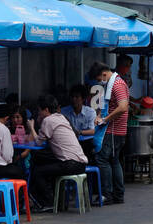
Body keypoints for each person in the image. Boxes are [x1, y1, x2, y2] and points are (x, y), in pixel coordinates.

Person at [28, 95, 89, 212]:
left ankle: (48, 202)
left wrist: (31, 127)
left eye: (39, 110)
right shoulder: (61, 117)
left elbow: (39, 142)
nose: (39, 113)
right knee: (45, 164)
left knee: (37, 171)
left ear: (46, 110)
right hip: (80, 163)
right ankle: (58, 201)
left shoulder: (48, 120)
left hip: (70, 164)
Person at [93, 59, 129, 205]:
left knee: (103, 160)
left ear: (103, 74)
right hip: (116, 129)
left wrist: (105, 119)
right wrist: (99, 116)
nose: (99, 82)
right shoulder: (112, 84)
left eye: (98, 79)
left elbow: (123, 107)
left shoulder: (117, 84)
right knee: (114, 161)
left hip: (113, 130)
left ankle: (107, 194)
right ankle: (118, 195)